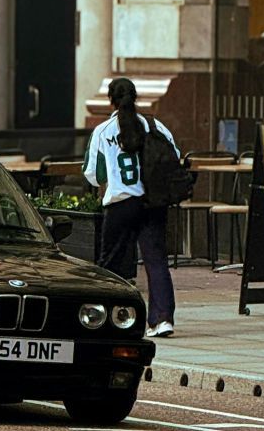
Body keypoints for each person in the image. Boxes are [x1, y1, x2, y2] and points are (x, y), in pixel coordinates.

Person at [83, 77, 179, 339]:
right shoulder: (155, 125)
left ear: (110, 100)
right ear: (135, 97)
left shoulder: (103, 131)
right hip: (153, 202)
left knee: (110, 264)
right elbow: (175, 157)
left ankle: (106, 318)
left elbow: (92, 174)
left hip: (121, 204)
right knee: (156, 261)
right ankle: (162, 319)